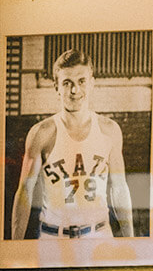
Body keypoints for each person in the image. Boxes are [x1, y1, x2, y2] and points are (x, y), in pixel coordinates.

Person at [11, 49, 134, 239]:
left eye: (81, 81)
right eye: (67, 83)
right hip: (53, 237)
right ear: (56, 87)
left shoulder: (109, 130)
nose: (75, 90)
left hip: (98, 235)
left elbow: (119, 187)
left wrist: (131, 239)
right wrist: (14, 247)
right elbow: (24, 192)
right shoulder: (41, 133)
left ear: (92, 83)